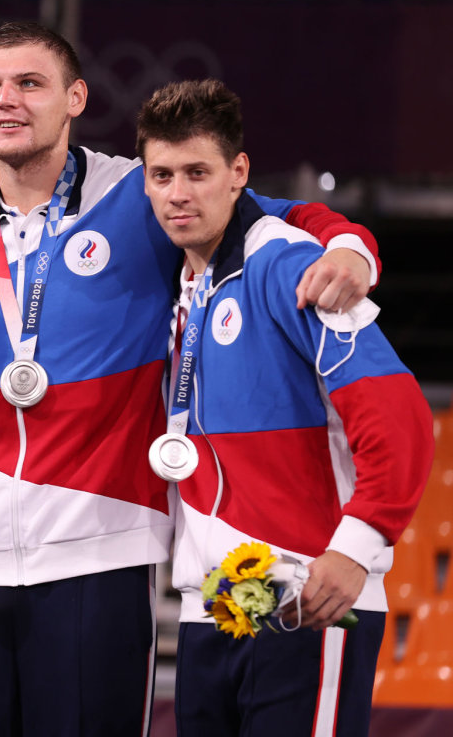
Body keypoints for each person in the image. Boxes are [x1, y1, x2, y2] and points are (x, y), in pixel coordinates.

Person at [0, 22, 385, 736]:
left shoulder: (141, 193)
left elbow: (273, 217)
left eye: (30, 83)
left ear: (76, 98)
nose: (8, 100)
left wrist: (350, 247)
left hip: (98, 553)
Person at [137, 79, 431, 737]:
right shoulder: (175, 275)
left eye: (197, 172)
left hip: (306, 589)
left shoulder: (291, 264)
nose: (179, 193)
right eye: (162, 175)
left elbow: (401, 417)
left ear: (237, 172)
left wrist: (356, 548)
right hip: (214, 601)